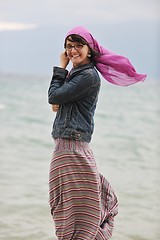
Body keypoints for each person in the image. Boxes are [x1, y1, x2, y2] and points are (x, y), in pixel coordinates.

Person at [48, 26, 146, 240]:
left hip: (72, 148)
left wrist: (60, 67)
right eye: (69, 46)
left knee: (78, 206)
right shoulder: (78, 75)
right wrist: (61, 92)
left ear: (90, 49)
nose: (73, 51)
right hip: (67, 146)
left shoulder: (88, 76)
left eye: (78, 45)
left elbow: (54, 97)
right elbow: (58, 102)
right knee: (66, 205)